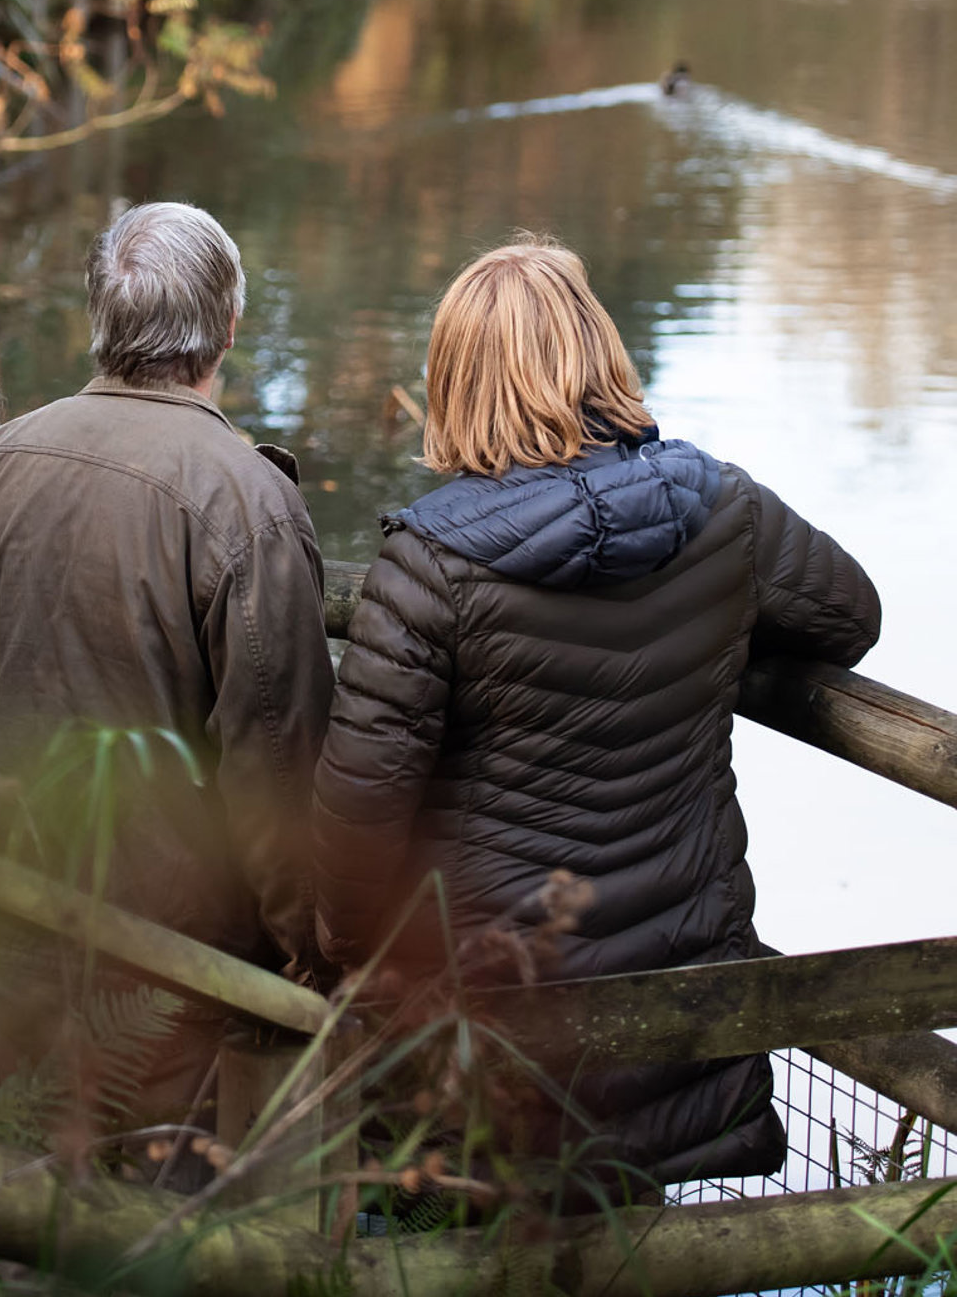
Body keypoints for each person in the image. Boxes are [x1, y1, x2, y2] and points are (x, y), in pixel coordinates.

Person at [313, 236, 881, 1187]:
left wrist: (344, 966)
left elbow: (357, 823)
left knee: (418, 1232)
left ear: (457, 379)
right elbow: (846, 614)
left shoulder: (431, 565)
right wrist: (713, 624)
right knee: (641, 1241)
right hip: (676, 1008)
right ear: (598, 352)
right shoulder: (723, 507)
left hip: (482, 1030)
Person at [0, 201, 336, 1120]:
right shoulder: (248, 500)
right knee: (148, 1233)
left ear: (100, 314)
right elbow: (278, 769)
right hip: (180, 969)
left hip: (3, 921)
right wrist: (308, 959)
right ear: (231, 323)